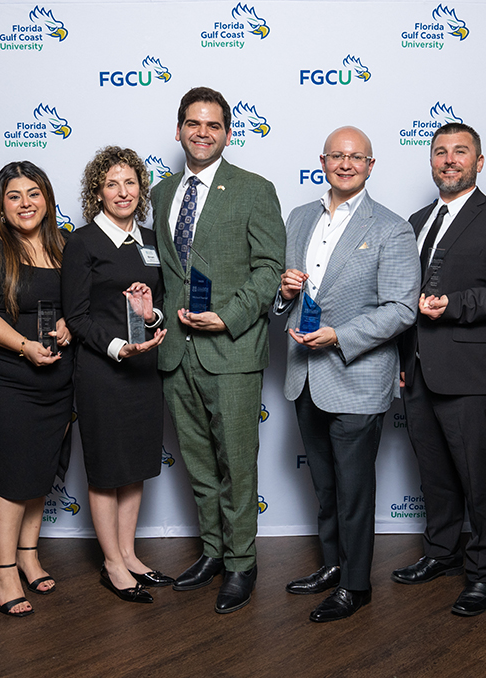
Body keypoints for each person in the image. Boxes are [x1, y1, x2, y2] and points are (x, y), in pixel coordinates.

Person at [274, 126, 418, 622]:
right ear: (322, 160)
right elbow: (281, 297)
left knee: (354, 489)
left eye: (356, 157)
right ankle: (332, 565)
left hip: (356, 374)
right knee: (327, 485)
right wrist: (284, 293)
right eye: (337, 155)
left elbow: (402, 308)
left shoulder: (391, 228)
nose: (345, 163)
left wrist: (341, 336)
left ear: (371, 165)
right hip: (304, 375)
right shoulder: (297, 218)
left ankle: (356, 586)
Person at [392, 123, 486, 616]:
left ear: (479, 162)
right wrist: (403, 359)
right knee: (434, 474)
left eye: (460, 152)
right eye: (440, 152)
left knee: (478, 478)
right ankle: (441, 553)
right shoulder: (414, 220)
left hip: (475, 373)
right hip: (419, 370)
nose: (449, 160)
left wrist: (454, 304)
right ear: (430, 161)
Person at [151, 86, 285, 614]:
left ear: (227, 132)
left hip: (231, 352)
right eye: (192, 123)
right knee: (199, 465)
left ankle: (241, 563)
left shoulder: (254, 189)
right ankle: (211, 551)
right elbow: (166, 273)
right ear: (179, 128)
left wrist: (227, 316)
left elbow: (269, 268)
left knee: (237, 465)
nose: (202, 132)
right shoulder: (161, 192)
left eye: (213, 125)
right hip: (177, 353)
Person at [0, 161, 74, 616]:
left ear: (47, 198)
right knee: (8, 474)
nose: (25, 203)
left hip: (54, 382)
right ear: (1, 207)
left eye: (33, 193)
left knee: (38, 469)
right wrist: (24, 345)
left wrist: (65, 324)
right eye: (14, 196)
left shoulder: (63, 247)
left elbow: (78, 303)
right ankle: (0, 572)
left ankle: (27, 555)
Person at [62, 147, 170, 604]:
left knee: (135, 468)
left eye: (130, 183)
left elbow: (154, 305)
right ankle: (110, 563)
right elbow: (77, 314)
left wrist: (150, 317)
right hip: (102, 371)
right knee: (107, 470)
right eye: (112, 184)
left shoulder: (149, 240)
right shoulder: (82, 241)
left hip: (145, 368)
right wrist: (116, 346)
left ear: (140, 190)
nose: (122, 192)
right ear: (97, 192)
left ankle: (129, 553)